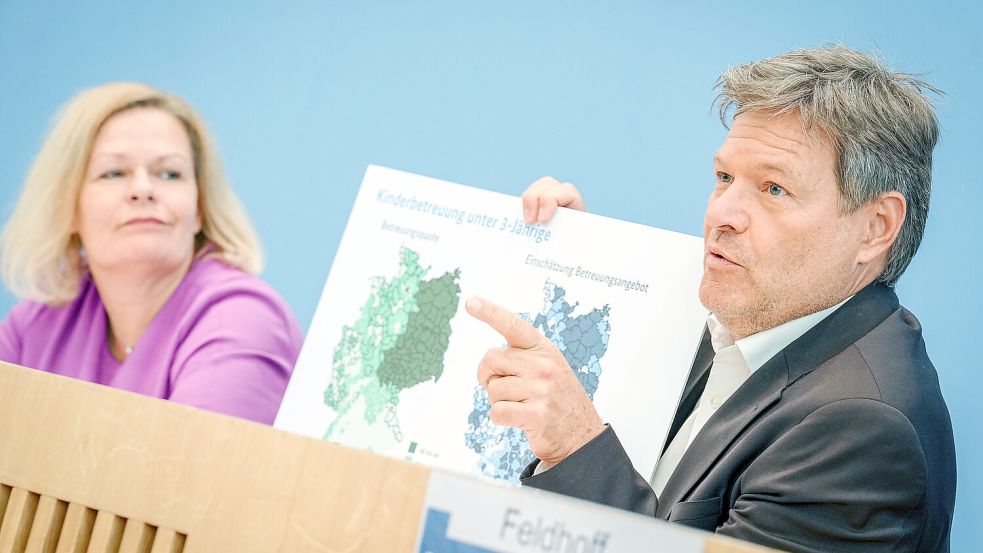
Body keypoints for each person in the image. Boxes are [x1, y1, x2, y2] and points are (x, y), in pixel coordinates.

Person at [466, 45, 956, 551]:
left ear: (875, 228)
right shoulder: (757, 314)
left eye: (774, 189)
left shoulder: (864, 432)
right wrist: (584, 267)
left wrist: (572, 448)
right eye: (724, 177)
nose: (724, 212)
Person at [0, 82, 303, 425]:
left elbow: (190, 475)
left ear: (200, 208)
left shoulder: (240, 318)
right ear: (68, 207)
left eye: (169, 174)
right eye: (113, 173)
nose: (143, 189)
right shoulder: (36, 325)